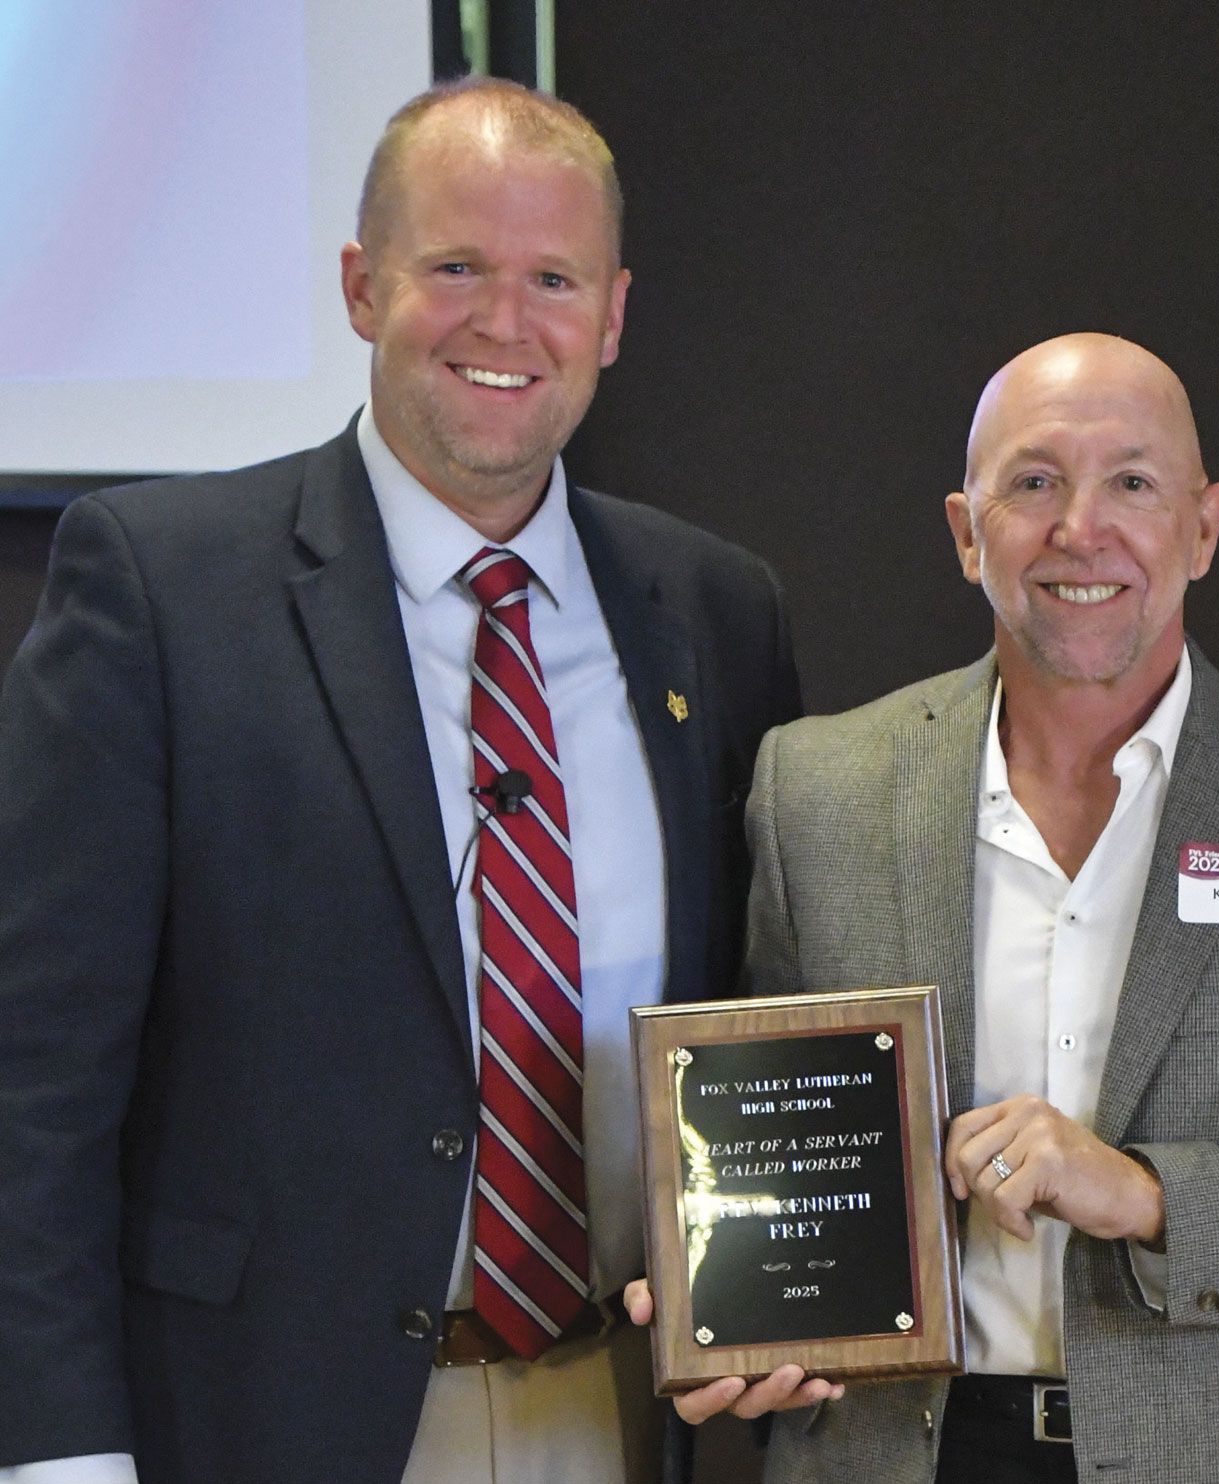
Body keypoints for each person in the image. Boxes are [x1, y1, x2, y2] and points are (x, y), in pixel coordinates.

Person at [0, 78, 800, 1484]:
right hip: (272, 1422)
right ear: (364, 288)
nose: (506, 322)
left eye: (553, 278)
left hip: (626, 1414)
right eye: (456, 269)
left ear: (611, 315)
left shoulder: (715, 611)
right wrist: (61, 1456)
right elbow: (35, 1079)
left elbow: (764, 1009)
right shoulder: (162, 587)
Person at [627, 333, 1219, 1482]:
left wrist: (1143, 1191)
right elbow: (769, 1137)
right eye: (1034, 481)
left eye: (1132, 482)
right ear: (964, 530)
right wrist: (726, 1293)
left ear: (1205, 525)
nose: (1080, 529)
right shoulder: (817, 789)